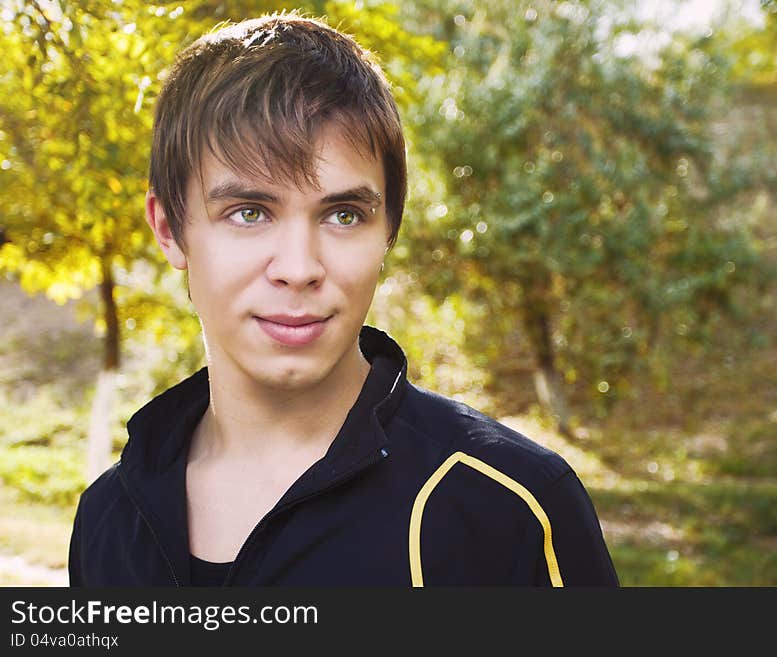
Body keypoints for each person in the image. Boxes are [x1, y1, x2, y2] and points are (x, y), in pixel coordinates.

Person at [68, 12, 618, 587]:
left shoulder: (508, 509)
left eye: (343, 214)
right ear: (169, 228)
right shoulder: (108, 519)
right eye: (249, 213)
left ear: (388, 231)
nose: (300, 268)